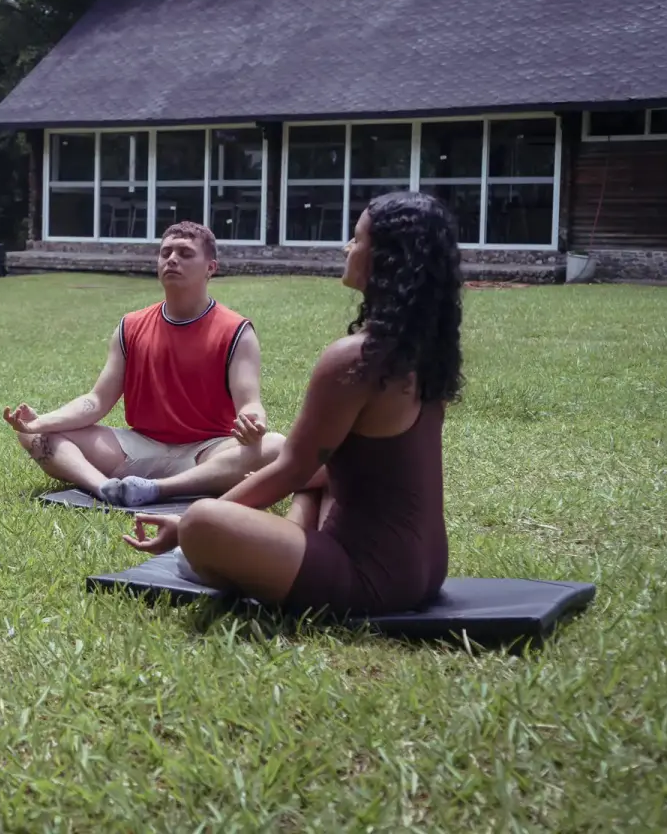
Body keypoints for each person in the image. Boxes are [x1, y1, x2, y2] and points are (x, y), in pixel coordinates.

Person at [123, 191, 464, 616]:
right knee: (320, 474)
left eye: (357, 240)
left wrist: (183, 527)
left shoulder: (356, 358)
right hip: (424, 567)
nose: (348, 248)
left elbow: (289, 469)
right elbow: (314, 470)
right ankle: (285, 537)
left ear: (388, 259)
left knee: (201, 522)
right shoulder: (420, 352)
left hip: (370, 577)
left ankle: (239, 548)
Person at [2, 220, 285, 508]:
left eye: (185, 254)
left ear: (211, 267)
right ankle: (105, 489)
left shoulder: (237, 331)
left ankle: (157, 489)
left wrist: (254, 422)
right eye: (166, 253)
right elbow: (97, 401)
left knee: (277, 447)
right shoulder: (131, 326)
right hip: (137, 450)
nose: (172, 259)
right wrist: (40, 422)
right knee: (36, 437)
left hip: (208, 453)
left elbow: (250, 403)